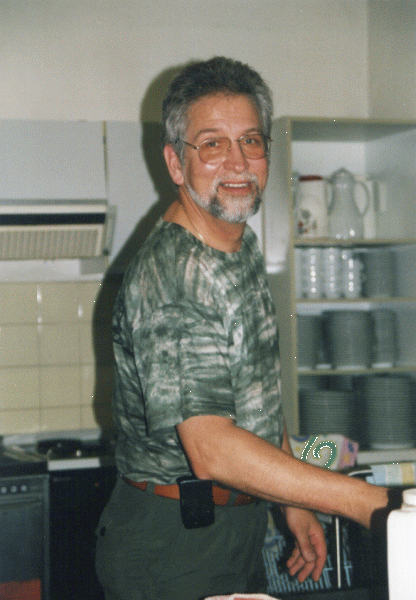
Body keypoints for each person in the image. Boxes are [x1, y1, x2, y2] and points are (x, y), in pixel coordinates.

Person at [95, 56, 397, 600]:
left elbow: (256, 395)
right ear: (176, 163)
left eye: (251, 141)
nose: (237, 162)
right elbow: (211, 448)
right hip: (172, 546)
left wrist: (293, 503)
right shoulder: (175, 275)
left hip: (233, 527)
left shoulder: (239, 244)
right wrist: (367, 503)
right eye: (212, 144)